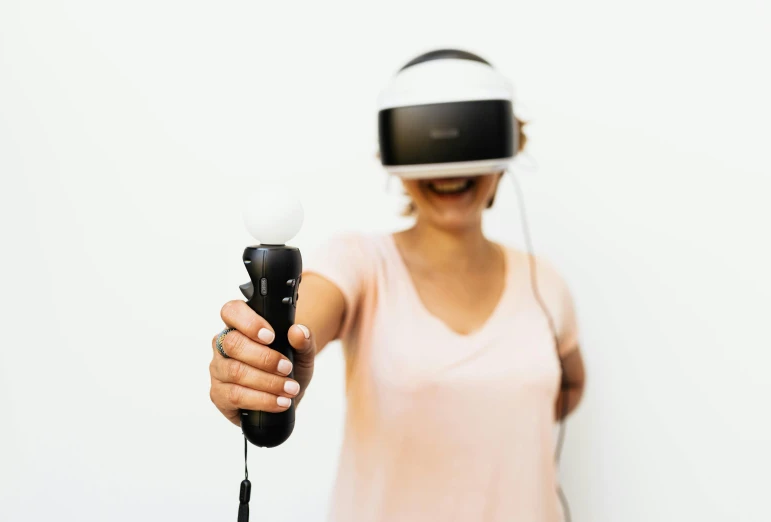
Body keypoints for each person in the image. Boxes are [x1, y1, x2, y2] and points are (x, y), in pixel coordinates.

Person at [209, 55, 586, 522]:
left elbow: (571, 383)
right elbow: (309, 315)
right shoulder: (361, 263)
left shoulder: (544, 281)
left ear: (506, 147)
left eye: (466, 135)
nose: (447, 167)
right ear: (396, 154)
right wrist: (266, 356)